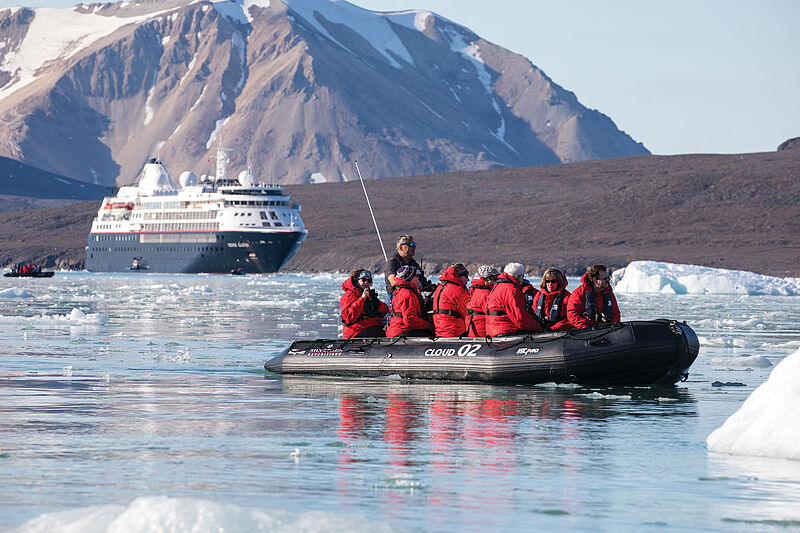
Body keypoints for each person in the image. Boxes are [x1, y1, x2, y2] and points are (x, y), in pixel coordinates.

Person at [485, 262, 542, 336]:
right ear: (519, 276)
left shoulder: (499, 286)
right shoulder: (511, 290)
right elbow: (520, 318)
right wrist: (538, 327)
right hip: (506, 330)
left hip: (493, 330)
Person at [567, 264, 621, 329]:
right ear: (595, 280)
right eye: (605, 278)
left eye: (608, 277)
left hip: (605, 329)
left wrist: (613, 327)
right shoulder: (578, 293)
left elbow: (616, 313)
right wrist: (586, 328)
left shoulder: (608, 293)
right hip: (585, 330)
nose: (608, 280)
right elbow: (572, 315)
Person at [385, 265, 434, 337]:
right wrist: (429, 325)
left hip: (396, 329)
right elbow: (410, 321)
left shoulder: (400, 290)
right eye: (416, 276)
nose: (418, 278)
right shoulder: (407, 294)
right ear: (410, 278)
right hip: (402, 330)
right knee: (433, 333)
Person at [340, 269, 389, 338]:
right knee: (380, 333)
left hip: (371, 326)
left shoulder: (369, 295)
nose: (366, 283)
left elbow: (384, 311)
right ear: (356, 281)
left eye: (369, 281)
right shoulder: (349, 295)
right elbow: (349, 317)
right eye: (363, 280)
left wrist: (376, 302)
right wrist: (362, 299)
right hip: (356, 331)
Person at [384, 235, 433, 302]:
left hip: (414, 298)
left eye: (414, 244)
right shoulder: (392, 262)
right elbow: (393, 281)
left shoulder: (414, 264)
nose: (414, 247)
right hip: (397, 300)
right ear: (401, 247)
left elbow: (422, 282)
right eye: (411, 244)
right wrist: (412, 282)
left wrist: (433, 286)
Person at [431, 263, 470, 337]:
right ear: (459, 277)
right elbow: (467, 312)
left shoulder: (440, 288)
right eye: (466, 276)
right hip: (455, 331)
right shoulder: (458, 290)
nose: (468, 279)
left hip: (440, 330)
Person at [466, 265, 499, 337]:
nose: (497, 281)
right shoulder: (486, 293)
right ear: (489, 279)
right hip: (480, 327)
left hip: (471, 325)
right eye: (496, 278)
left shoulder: (473, 290)